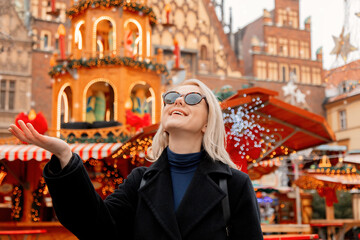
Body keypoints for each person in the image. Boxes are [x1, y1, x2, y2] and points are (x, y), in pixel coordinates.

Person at [9, 79, 263, 240]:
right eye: (171, 98)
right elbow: (97, 227)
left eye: (193, 98)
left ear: (208, 123)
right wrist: (65, 156)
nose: (178, 101)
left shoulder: (234, 184)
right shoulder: (141, 180)